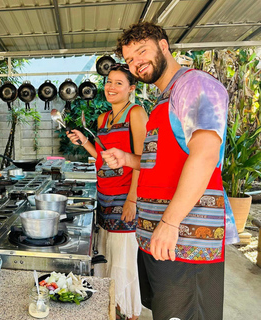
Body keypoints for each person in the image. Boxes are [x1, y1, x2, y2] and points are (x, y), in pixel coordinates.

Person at [102, 22, 229, 320]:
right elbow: (160, 164)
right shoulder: (163, 99)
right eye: (130, 59)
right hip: (160, 242)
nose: (136, 63)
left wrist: (170, 223)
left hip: (184, 242)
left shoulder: (193, 85)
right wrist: (128, 159)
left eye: (141, 52)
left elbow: (205, 153)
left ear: (163, 45)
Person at [67, 66, 147, 320]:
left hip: (125, 197)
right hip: (104, 196)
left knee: (124, 263)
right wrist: (85, 141)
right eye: (109, 82)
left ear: (131, 89)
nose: (111, 87)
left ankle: (130, 314)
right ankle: (111, 311)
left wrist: (132, 200)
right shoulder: (102, 119)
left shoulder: (136, 113)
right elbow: (102, 158)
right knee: (107, 260)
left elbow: (144, 159)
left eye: (119, 83)